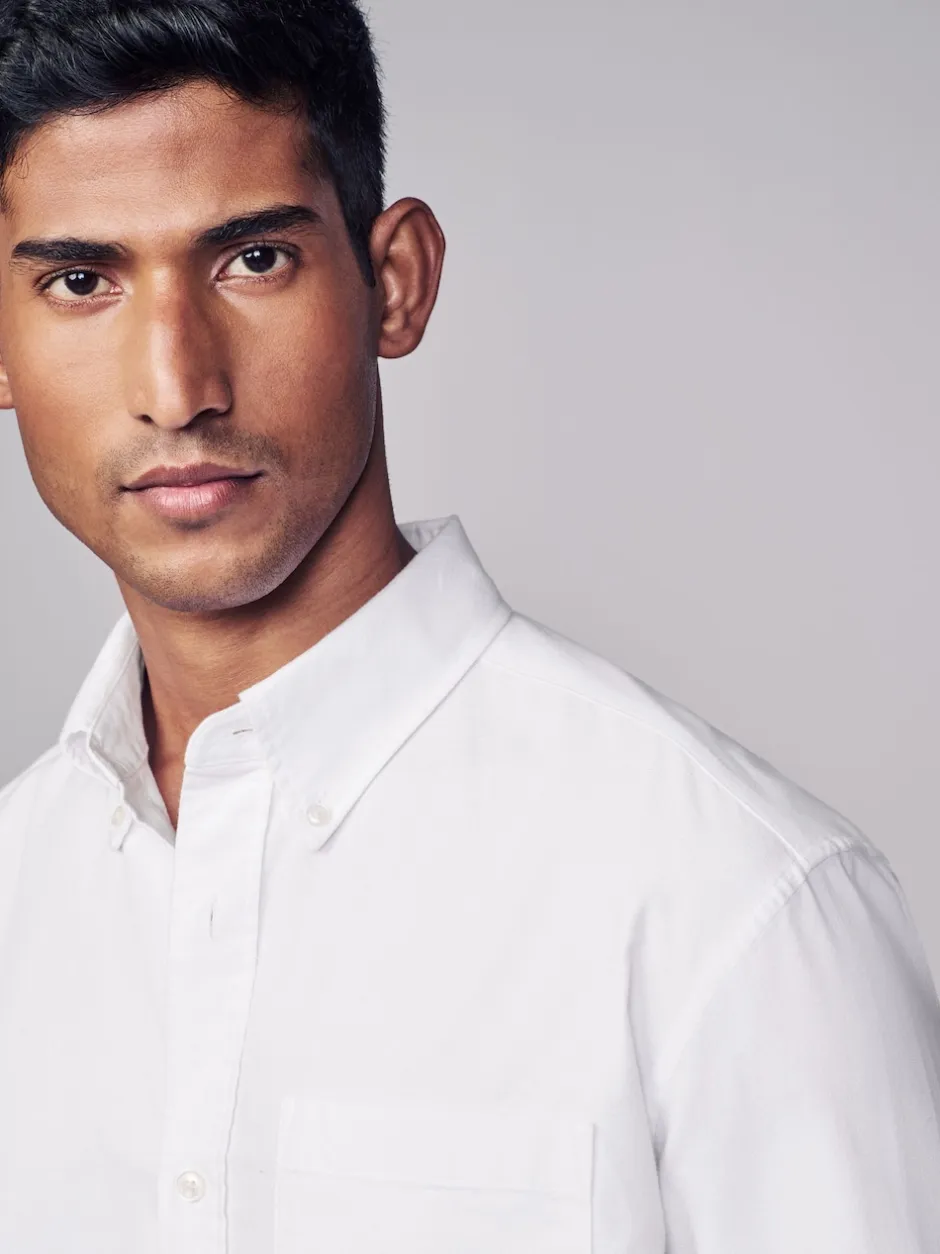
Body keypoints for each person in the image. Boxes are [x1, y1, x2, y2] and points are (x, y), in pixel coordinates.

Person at [0, 1, 937, 1251]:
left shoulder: (736, 905)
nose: (176, 388)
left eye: (254, 260)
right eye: (80, 282)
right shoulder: (18, 895)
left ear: (395, 282)